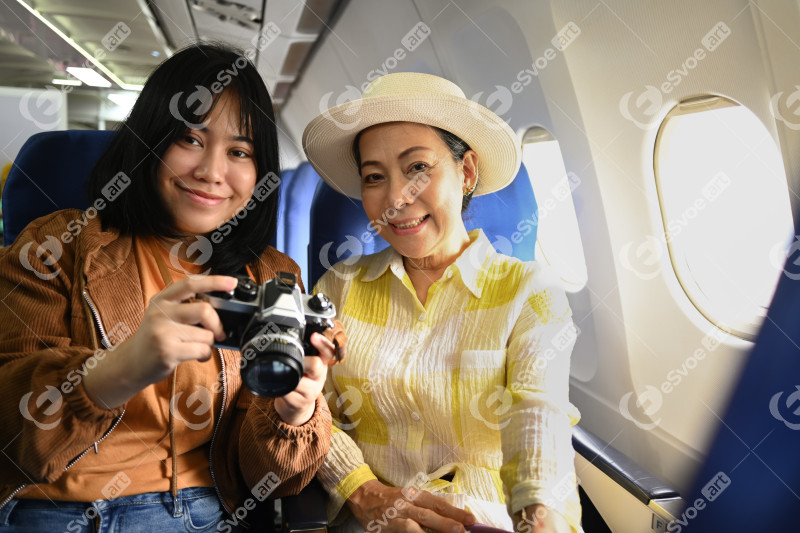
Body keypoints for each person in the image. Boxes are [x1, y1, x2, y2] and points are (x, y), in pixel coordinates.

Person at [0, 42, 341, 532]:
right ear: (150, 142)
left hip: (195, 515)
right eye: (190, 139)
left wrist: (293, 412)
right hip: (48, 511)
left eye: (239, 151)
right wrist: (116, 371)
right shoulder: (59, 244)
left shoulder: (270, 277)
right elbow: (9, 435)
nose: (211, 172)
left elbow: (270, 481)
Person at [302, 72, 582, 533]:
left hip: (488, 516)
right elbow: (314, 411)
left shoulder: (529, 292)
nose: (395, 198)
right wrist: (365, 493)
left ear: (466, 171)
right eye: (374, 177)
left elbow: (538, 416)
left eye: (417, 168)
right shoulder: (337, 289)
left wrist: (537, 519)